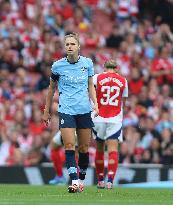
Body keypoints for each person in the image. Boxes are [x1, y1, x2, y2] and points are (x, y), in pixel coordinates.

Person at [43, 33, 98, 193]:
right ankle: (74, 181)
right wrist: (46, 111)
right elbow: (51, 89)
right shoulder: (57, 66)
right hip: (66, 110)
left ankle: (81, 180)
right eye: (67, 44)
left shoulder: (87, 63)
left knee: (83, 148)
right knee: (68, 145)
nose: (69, 46)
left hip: (84, 111)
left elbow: (90, 86)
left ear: (78, 46)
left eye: (72, 44)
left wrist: (96, 104)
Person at [92, 59, 128, 189]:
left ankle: (100, 180)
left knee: (100, 148)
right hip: (115, 118)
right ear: (116, 68)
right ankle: (110, 181)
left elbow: (90, 93)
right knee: (112, 150)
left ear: (104, 68)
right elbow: (124, 100)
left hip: (98, 117)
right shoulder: (123, 80)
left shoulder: (97, 77)